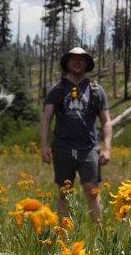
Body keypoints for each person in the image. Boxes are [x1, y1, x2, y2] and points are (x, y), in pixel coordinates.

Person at [41, 46, 112, 225]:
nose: (77, 61)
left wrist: (107, 148)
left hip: (88, 148)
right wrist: (43, 146)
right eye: (73, 58)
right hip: (62, 147)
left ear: (87, 63)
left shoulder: (96, 90)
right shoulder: (57, 90)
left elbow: (106, 121)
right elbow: (46, 118)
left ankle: (99, 233)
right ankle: (64, 233)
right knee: (64, 191)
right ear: (67, 63)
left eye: (81, 59)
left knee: (91, 190)